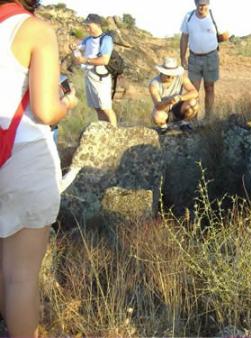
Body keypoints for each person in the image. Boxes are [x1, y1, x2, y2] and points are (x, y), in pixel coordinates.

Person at [0, 0, 78, 336]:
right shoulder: (34, 30)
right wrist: (68, 104)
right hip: (23, 155)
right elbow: (46, 111)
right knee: (20, 275)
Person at [180, 0, 225, 119]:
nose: (202, 7)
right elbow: (184, 37)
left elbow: (223, 35)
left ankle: (208, 118)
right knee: (193, 90)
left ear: (208, 4)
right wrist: (182, 57)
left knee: (209, 88)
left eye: (204, 5)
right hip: (194, 57)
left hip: (211, 57)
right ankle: (193, 119)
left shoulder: (214, 16)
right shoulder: (188, 17)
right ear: (195, 4)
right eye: (200, 4)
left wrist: (223, 37)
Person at [72, 13, 117, 127]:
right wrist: (73, 48)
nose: (87, 28)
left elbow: (105, 60)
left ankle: (115, 132)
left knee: (106, 107)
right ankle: (104, 131)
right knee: (97, 107)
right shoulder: (88, 39)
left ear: (97, 24)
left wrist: (85, 60)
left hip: (100, 76)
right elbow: (78, 48)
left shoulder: (106, 39)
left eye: (89, 25)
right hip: (89, 75)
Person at [149, 57, 199, 132]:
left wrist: (180, 97)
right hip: (164, 109)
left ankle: (184, 123)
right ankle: (164, 126)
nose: (172, 77)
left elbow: (194, 92)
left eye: (173, 74)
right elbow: (158, 105)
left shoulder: (181, 77)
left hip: (177, 107)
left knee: (194, 103)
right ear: (163, 72)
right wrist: (169, 101)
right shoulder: (154, 84)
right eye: (169, 75)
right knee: (157, 116)